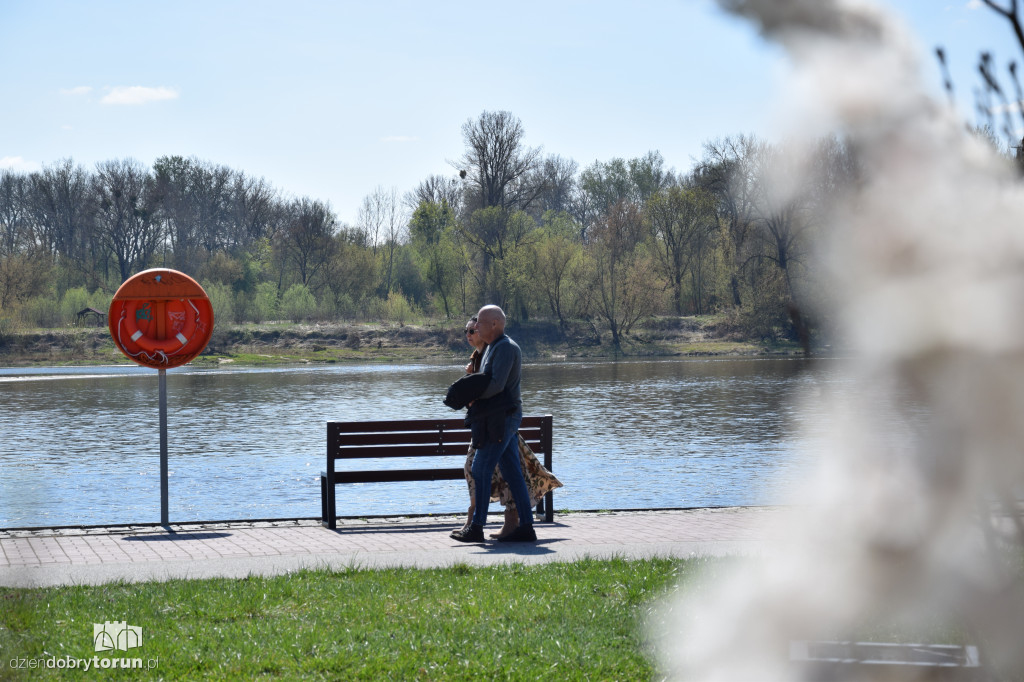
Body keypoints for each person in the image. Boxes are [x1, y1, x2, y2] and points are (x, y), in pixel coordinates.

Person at [454, 316, 562, 540]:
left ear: (494, 324)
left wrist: (469, 395)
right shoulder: (494, 347)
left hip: (503, 420)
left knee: (480, 468)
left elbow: (496, 385)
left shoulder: (505, 348)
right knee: (513, 473)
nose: (476, 328)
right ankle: (526, 529)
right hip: (498, 418)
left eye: (480, 323)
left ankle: (476, 527)